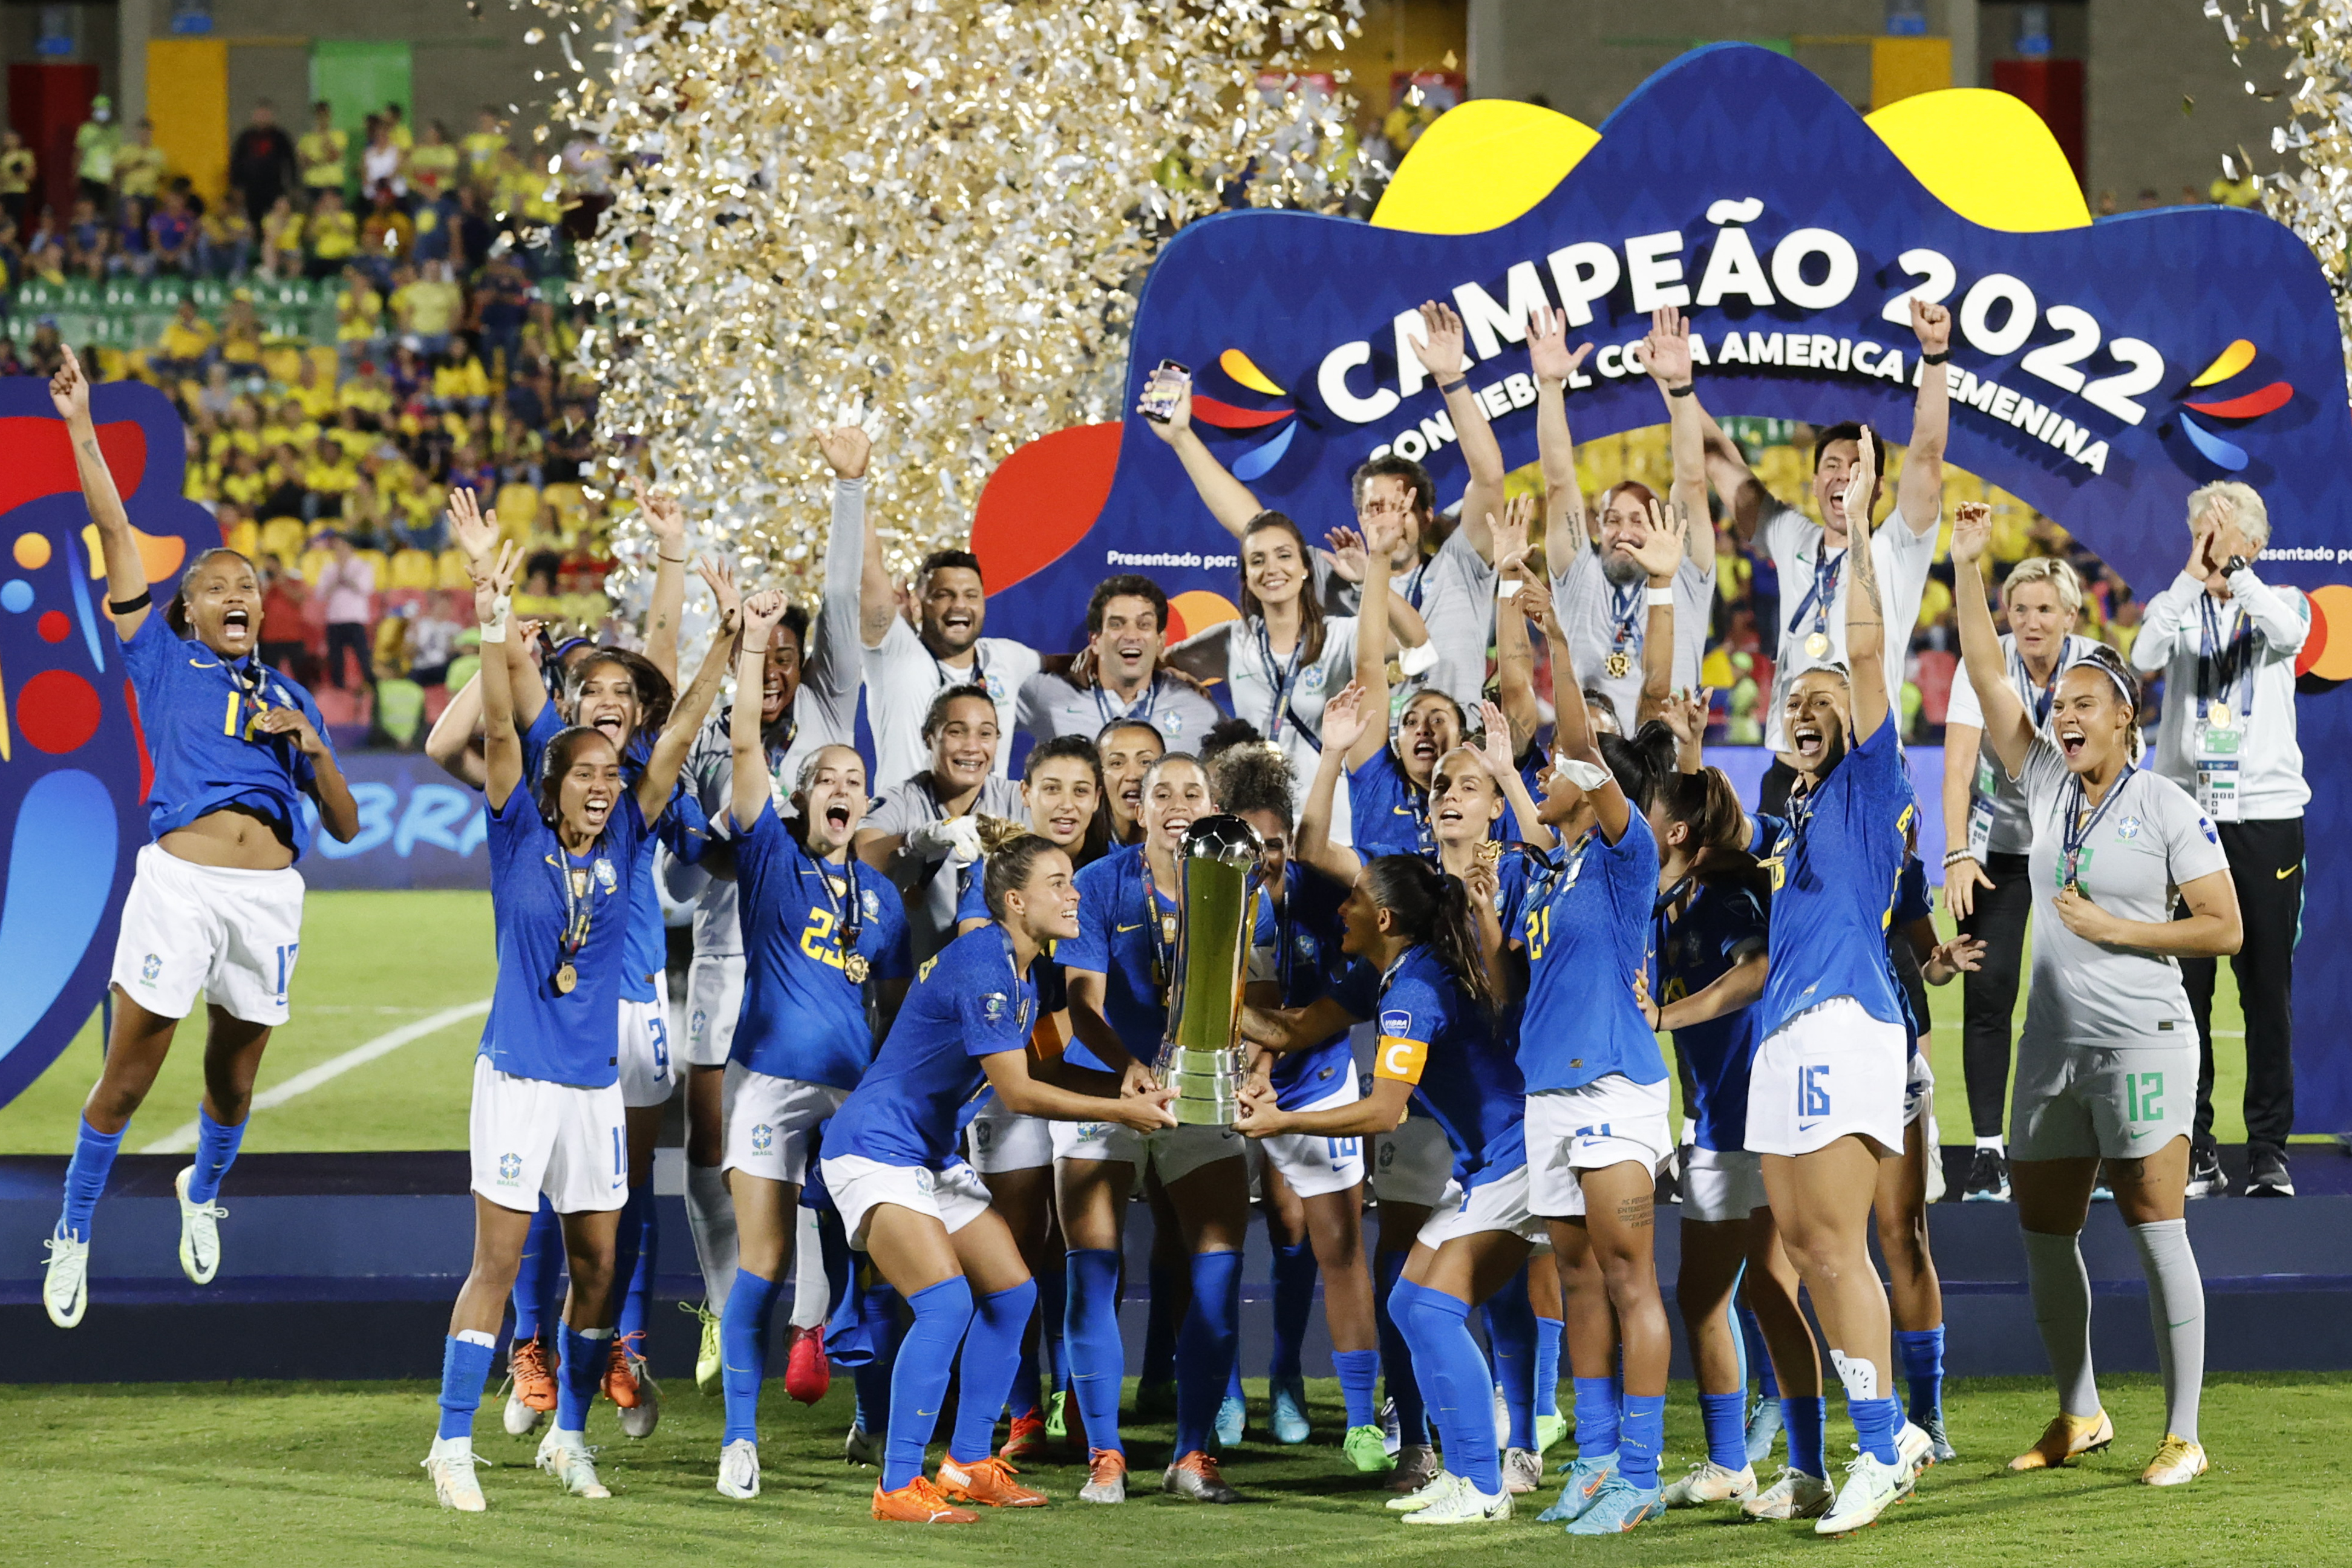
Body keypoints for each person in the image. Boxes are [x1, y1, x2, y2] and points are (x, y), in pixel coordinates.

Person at [41, 345, 361, 1331]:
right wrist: (83, 430)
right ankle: (74, 1226)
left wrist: (309, 744)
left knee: (235, 1076)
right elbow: (114, 531)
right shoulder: (158, 654)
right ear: (188, 606)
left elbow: (346, 827)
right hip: (178, 884)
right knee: (132, 1070)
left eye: (252, 585)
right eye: (221, 582)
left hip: (268, 895)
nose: (239, 592)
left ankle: (201, 1189)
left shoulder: (287, 695)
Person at [420, 533, 718, 1511]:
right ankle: (451, 1443)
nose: (599, 781)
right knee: (498, 1266)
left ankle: (570, 1434)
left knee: (598, 1267)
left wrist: (736, 645)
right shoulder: (515, 832)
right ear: (552, 784)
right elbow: (501, 727)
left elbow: (671, 741)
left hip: (594, 1083)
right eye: (581, 770)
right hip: (516, 1078)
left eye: (608, 771)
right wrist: (490, 608)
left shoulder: (629, 828)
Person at [1953, 505, 2241, 1489]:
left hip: (2144, 1042)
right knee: (2043, 1233)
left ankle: (2183, 1430)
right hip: (2052, 1048)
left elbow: (2223, 926)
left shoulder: (2165, 803)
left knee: (2157, 1224)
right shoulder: (2039, 783)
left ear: (2125, 716)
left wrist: (2122, 929)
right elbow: (1989, 677)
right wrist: (1962, 565)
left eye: (2086, 702)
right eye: (2059, 704)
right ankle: (2079, 1408)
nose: (2064, 714)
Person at [818, 833, 1174, 1523]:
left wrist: (1123, 1073)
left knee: (1011, 1294)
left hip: (923, 1151)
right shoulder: (985, 960)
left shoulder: (1022, 969)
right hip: (873, 1150)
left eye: (1073, 881)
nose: (1074, 894)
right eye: (1058, 882)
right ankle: (896, 1487)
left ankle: (968, 1462)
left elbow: (1037, 1064)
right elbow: (1016, 1092)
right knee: (946, 1305)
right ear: (1016, 901)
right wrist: (1119, 1109)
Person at [1741, 436, 1932, 1536]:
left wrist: (1858, 533)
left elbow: (1863, 653)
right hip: (1786, 1032)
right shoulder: (1792, 807)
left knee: (1829, 1247)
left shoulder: (1865, 780)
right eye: (1791, 692)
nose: (1806, 703)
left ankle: (1882, 1442)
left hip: (1839, 1021)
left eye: (1822, 694)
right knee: (1801, 1249)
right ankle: (1863, 1443)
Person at [1238, 855, 1527, 1526]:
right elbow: (1294, 1029)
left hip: (1520, 1162)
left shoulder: (1413, 992)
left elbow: (1384, 1111)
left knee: (1429, 1311)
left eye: (1357, 902)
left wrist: (1284, 1118)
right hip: (1490, 1164)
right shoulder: (1387, 973)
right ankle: (1464, 1474)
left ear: (1386, 920)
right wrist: (1209, 1001)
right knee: (1409, 1303)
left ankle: (1483, 1487)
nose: (1342, 909)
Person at [670, 425, 871, 1390]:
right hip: (728, 959)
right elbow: (696, 870)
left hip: (823, 962)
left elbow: (837, 605)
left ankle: (814, 1321)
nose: (782, 665)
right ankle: (723, 1308)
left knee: (829, 1154)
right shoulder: (722, 735)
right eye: (768, 653)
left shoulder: (831, 716)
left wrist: (850, 490)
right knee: (712, 1151)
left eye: (792, 652)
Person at [711, 592, 913, 1500]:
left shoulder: (886, 900)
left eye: (852, 780)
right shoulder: (770, 858)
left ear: (867, 802)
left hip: (851, 1096)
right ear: (801, 798)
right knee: (763, 1262)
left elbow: (897, 1004)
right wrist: (752, 648)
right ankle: (740, 1441)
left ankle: (870, 1416)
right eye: (825, 778)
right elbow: (748, 745)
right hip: (765, 1085)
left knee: (870, 1255)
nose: (840, 789)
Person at [1497, 580, 1678, 1535]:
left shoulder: (1623, 853)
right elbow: (1532, 790)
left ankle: (1642, 1473)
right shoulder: (1552, 865)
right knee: (1576, 1285)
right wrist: (1496, 763)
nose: (1545, 770)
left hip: (1613, 1088)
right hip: (1548, 1097)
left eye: (1563, 765)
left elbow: (1570, 739)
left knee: (1629, 1277)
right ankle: (1600, 1459)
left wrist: (1559, 638)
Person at [1054, 752, 1256, 1505]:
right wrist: (1127, 1070)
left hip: (1198, 1095)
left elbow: (1254, 996)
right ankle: (1106, 1456)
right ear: (1137, 809)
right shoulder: (1102, 883)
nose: (1176, 803)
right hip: (1110, 1089)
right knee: (1094, 1267)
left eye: (1192, 792)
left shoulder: (1241, 886)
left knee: (1218, 1268)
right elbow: (1082, 1001)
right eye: (1158, 792)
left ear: (1212, 805)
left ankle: (1192, 1456)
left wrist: (1258, 1061)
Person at [1139, 300, 1505, 710]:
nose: (1386, 518)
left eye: (1399, 505)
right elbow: (1252, 526)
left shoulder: (1461, 565)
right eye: (1373, 508)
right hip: (1367, 763)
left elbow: (1489, 479)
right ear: (1361, 518)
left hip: (1452, 761)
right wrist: (1182, 439)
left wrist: (1452, 379)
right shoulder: (1336, 577)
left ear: (1426, 514)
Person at [2126, 482, 2308, 1199]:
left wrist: (2238, 574)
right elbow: (2142, 654)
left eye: (2224, 532)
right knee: (2185, 992)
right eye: (2201, 531)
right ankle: (2196, 1145)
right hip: (2185, 816)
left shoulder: (2282, 601)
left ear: (2254, 544)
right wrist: (2193, 574)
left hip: (2265, 815)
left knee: (2267, 990)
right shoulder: (2174, 608)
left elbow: (2292, 638)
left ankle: (2268, 1151)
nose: (2209, 543)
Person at [1210, 740, 1387, 1470]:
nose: (1265, 860)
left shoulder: (1329, 898)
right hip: (1224, 1083)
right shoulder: (1207, 898)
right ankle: (1223, 1391)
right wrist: (1248, 1066)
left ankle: (1344, 1412)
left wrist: (1267, 1061)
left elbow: (1328, 1008)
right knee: (1213, 1245)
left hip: (1315, 1080)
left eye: (1276, 845)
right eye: (1250, 846)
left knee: (1332, 1245)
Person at [1700, 298, 1950, 812]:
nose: (1843, 475)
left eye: (1858, 466)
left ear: (1879, 487)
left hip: (1863, 762)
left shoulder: (1898, 545)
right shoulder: (1795, 536)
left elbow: (1926, 453)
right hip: (1787, 765)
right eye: (1832, 464)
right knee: (1775, 894)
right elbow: (1720, 464)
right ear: (1815, 482)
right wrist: (1678, 388)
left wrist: (1934, 357)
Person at [948, 735, 1105, 1462]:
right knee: (1014, 1244)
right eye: (1052, 788)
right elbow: (1000, 995)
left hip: (1086, 1087)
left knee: (1081, 1250)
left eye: (1081, 789)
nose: (1067, 803)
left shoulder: (1100, 877)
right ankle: (1020, 1412)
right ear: (1026, 794)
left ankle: (1080, 1397)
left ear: (1099, 800)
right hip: (1019, 1090)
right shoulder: (1000, 886)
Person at [1149, 400, 1433, 794]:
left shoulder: (1340, 633)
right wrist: (1180, 436)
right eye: (1259, 561)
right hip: (1255, 814)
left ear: (1306, 569)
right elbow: (1155, 670)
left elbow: (1417, 643)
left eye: (1285, 557)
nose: (1273, 569)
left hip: (1333, 815)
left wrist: (1374, 568)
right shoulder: (1236, 640)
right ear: (1246, 576)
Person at [1942, 555, 2088, 1201]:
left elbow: (2121, 756)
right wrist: (1955, 855)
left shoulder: (2095, 663)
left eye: (2044, 609)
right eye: (2019, 608)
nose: (2031, 621)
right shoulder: (1981, 662)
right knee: (1989, 992)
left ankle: (2087, 1144)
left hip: (2071, 853)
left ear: (2069, 615)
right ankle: (1987, 1153)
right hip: (1996, 851)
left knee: (2082, 994)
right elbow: (1957, 768)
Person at [1534, 304, 1716, 730]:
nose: (1625, 532)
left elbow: (1692, 480)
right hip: (1589, 764)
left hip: (1668, 768)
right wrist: (1549, 386)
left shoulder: (1687, 575)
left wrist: (1681, 388)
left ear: (1660, 527)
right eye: (1613, 520)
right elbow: (1559, 481)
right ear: (1597, 528)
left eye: (1639, 521)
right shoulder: (1578, 576)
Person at [856, 684, 1026, 961]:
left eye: (985, 734)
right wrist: (914, 842)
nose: (972, 747)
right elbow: (861, 855)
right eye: (956, 732)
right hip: (914, 979)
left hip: (1000, 977)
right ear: (929, 739)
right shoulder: (904, 799)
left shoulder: (1017, 799)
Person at [861, 537, 1039, 794]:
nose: (959, 605)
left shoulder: (1005, 658)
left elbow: (1061, 666)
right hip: (904, 828)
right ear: (916, 605)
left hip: (985, 830)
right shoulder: (896, 655)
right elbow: (866, 566)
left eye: (971, 595)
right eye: (944, 595)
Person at [1016, 574, 1220, 750]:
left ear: (1160, 642)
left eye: (1144, 624)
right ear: (1095, 642)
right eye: (1117, 624)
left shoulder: (1197, 707)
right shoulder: (1047, 695)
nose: (1131, 635)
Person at [1095, 718, 1163, 849]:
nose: (1132, 776)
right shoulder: (1081, 851)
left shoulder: (1185, 848)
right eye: (1117, 763)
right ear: (1099, 775)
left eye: (1145, 762)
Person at [230, 102, 298, 229]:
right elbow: (236, 162)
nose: (263, 118)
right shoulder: (245, 137)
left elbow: (290, 161)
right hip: (251, 187)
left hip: (273, 186)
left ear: (272, 117)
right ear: (254, 117)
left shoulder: (280, 136)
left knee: (274, 219)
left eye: (266, 115)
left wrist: (293, 184)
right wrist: (236, 185)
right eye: (260, 115)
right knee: (253, 218)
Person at [299, 101, 350, 204]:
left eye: (324, 114)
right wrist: (321, 160)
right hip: (312, 184)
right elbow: (304, 163)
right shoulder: (306, 139)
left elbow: (334, 156)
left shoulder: (339, 135)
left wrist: (325, 135)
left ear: (329, 116)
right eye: (319, 114)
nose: (322, 118)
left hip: (333, 183)